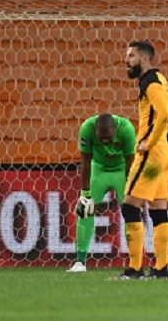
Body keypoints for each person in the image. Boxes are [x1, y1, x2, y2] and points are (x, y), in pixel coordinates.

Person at [118, 41, 168, 280]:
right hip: (165, 153)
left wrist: (149, 142)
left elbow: (165, 113)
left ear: (145, 59)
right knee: (158, 210)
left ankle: (135, 269)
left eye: (131, 55)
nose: (127, 60)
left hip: (152, 154)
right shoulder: (163, 80)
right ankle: (161, 267)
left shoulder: (150, 81)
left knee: (130, 206)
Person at [67, 113, 136, 273]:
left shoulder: (126, 129)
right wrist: (85, 193)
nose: (105, 141)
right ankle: (80, 262)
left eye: (108, 137)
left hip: (121, 169)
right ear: (95, 129)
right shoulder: (86, 128)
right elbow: (85, 161)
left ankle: (135, 262)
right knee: (85, 211)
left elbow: (131, 162)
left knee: (131, 212)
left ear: (115, 128)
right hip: (98, 169)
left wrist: (130, 191)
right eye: (101, 137)